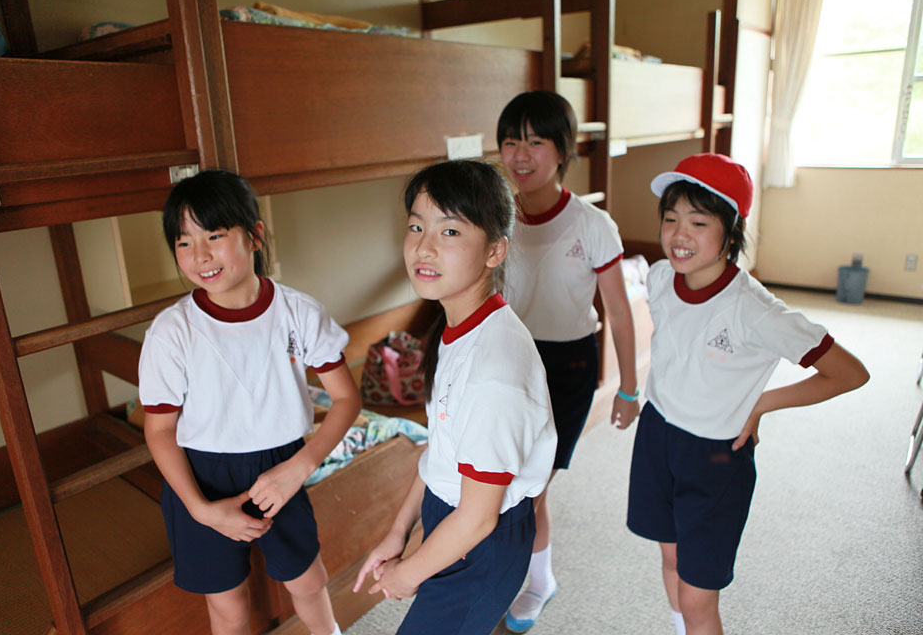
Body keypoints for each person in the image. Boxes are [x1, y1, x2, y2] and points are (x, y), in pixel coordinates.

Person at [627, 153, 869, 635]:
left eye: (699, 222)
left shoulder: (755, 310)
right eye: (671, 218)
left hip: (715, 457)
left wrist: (761, 404)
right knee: (671, 561)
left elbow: (849, 373)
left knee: (698, 597)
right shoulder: (659, 278)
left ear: (732, 232)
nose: (680, 234)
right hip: (657, 434)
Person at [138, 170, 360, 635]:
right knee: (229, 608)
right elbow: (158, 430)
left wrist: (299, 468)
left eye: (214, 236)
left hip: (282, 466)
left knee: (308, 581)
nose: (200, 255)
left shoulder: (298, 311)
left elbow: (345, 399)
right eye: (184, 242)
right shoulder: (171, 331)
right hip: (202, 477)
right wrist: (201, 509)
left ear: (255, 235)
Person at [352, 160, 557, 634]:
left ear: (495, 250)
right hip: (454, 519)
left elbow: (478, 519)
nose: (423, 247)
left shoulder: (495, 373)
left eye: (449, 231)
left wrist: (408, 573)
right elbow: (442, 451)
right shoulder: (458, 326)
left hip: (480, 544)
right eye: (416, 226)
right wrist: (399, 531)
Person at [496, 90, 640, 632]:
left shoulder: (592, 224)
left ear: (562, 150)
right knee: (506, 483)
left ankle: (537, 581)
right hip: (508, 360)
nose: (521, 155)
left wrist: (629, 388)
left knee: (530, 486)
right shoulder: (497, 217)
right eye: (511, 142)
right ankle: (525, 575)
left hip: (568, 367)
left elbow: (619, 312)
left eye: (535, 142)